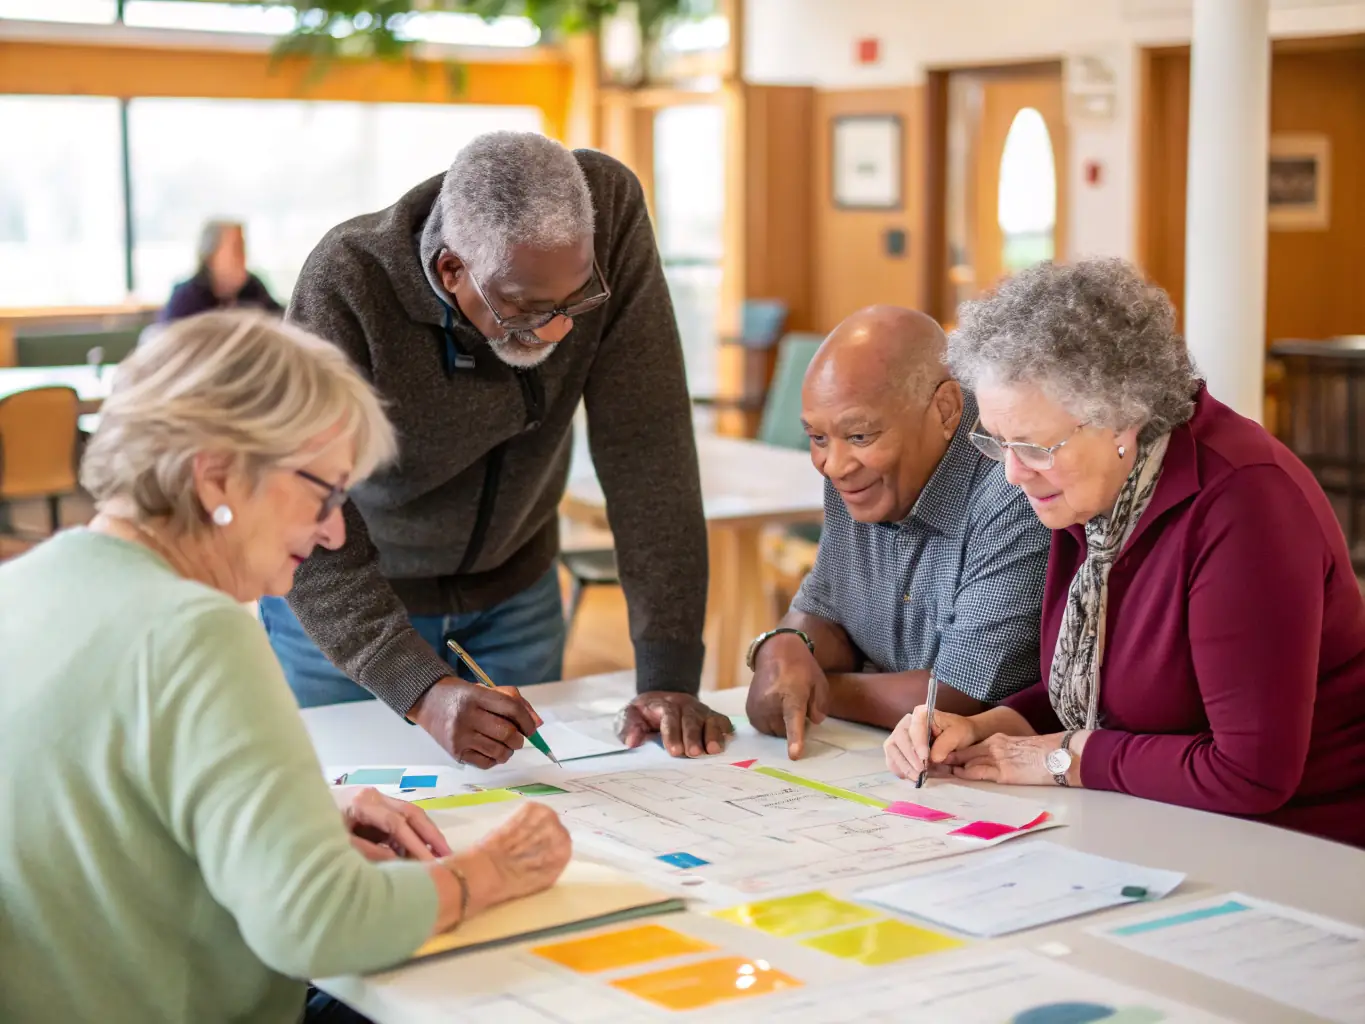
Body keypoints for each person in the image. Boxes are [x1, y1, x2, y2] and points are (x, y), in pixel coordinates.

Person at [0, 311, 573, 1023]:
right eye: (326, 494)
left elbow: (93, 813)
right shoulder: (194, 632)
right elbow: (319, 923)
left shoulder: (22, 590)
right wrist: (489, 872)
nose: (335, 530)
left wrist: (290, 818)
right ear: (216, 477)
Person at [261, 130, 730, 765]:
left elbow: (648, 442)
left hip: (515, 594)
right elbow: (297, 504)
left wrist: (668, 669)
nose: (560, 329)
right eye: (526, 309)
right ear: (452, 270)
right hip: (357, 607)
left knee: (533, 815)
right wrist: (418, 688)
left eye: (575, 302)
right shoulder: (348, 281)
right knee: (355, 819)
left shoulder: (608, 214)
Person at [885, 259, 1365, 850]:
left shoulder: (1245, 504)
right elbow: (1113, 693)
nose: (1013, 473)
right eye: (997, 442)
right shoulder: (1093, 489)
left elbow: (1251, 773)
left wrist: (1063, 757)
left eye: (1033, 446)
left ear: (1123, 419)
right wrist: (984, 729)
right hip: (1164, 823)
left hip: (1303, 848)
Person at [747, 306, 1050, 759]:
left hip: (1010, 774)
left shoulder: (1011, 487)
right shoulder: (855, 476)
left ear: (946, 410)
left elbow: (956, 694)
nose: (835, 466)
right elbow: (825, 612)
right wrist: (787, 645)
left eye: (861, 436)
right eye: (817, 438)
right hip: (884, 760)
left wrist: (814, 688)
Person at [160, 219, 283, 322]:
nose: (243, 257)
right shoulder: (186, 298)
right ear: (211, 254)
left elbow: (281, 321)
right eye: (236, 248)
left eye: (243, 248)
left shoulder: (253, 287)